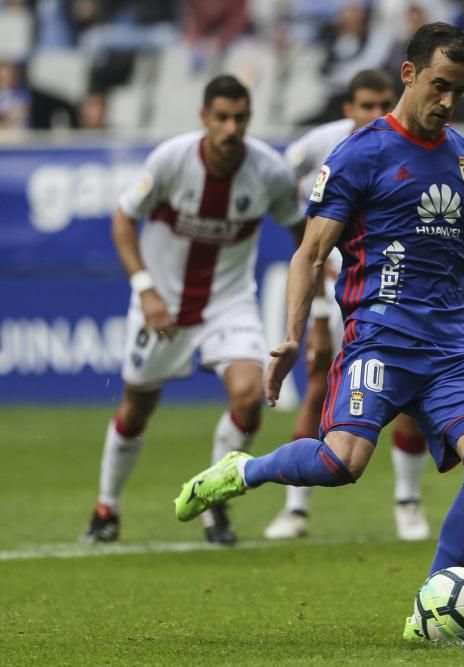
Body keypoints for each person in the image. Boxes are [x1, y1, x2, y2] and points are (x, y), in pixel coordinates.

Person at [173, 23, 464, 640]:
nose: (448, 102)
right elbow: (309, 254)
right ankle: (242, 472)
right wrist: (291, 335)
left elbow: (460, 232)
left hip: (451, 345)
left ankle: (429, 608)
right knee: (341, 462)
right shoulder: (361, 152)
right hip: (379, 340)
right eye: (439, 86)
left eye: (459, 91)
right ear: (409, 75)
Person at [82, 75, 304, 546]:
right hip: (161, 304)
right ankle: (107, 508)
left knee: (248, 397)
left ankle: (214, 502)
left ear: (249, 119)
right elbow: (124, 217)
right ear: (204, 118)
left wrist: (325, 272)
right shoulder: (171, 159)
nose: (230, 127)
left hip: (229, 304)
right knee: (136, 408)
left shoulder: (270, 172)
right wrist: (144, 289)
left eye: (239, 118)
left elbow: (302, 230)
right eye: (221, 117)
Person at [265, 68, 434, 542]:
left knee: (410, 395)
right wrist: (316, 313)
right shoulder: (325, 148)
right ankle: (295, 510)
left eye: (384, 103)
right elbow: (279, 184)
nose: (375, 114)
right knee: (319, 384)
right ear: (348, 109)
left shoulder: (416, 146)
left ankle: (408, 503)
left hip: (392, 296)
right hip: (337, 295)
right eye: (365, 106)